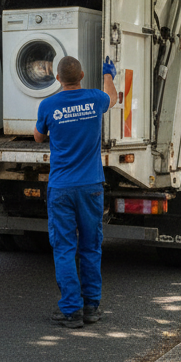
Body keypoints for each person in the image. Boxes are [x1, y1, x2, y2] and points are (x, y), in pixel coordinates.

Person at [33, 55, 119, 328]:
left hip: (61, 188)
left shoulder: (48, 105)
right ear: (81, 74)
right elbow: (112, 98)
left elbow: (38, 136)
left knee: (64, 248)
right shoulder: (95, 98)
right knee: (91, 247)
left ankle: (71, 310)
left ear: (57, 78)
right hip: (91, 186)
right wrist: (108, 75)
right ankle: (92, 307)